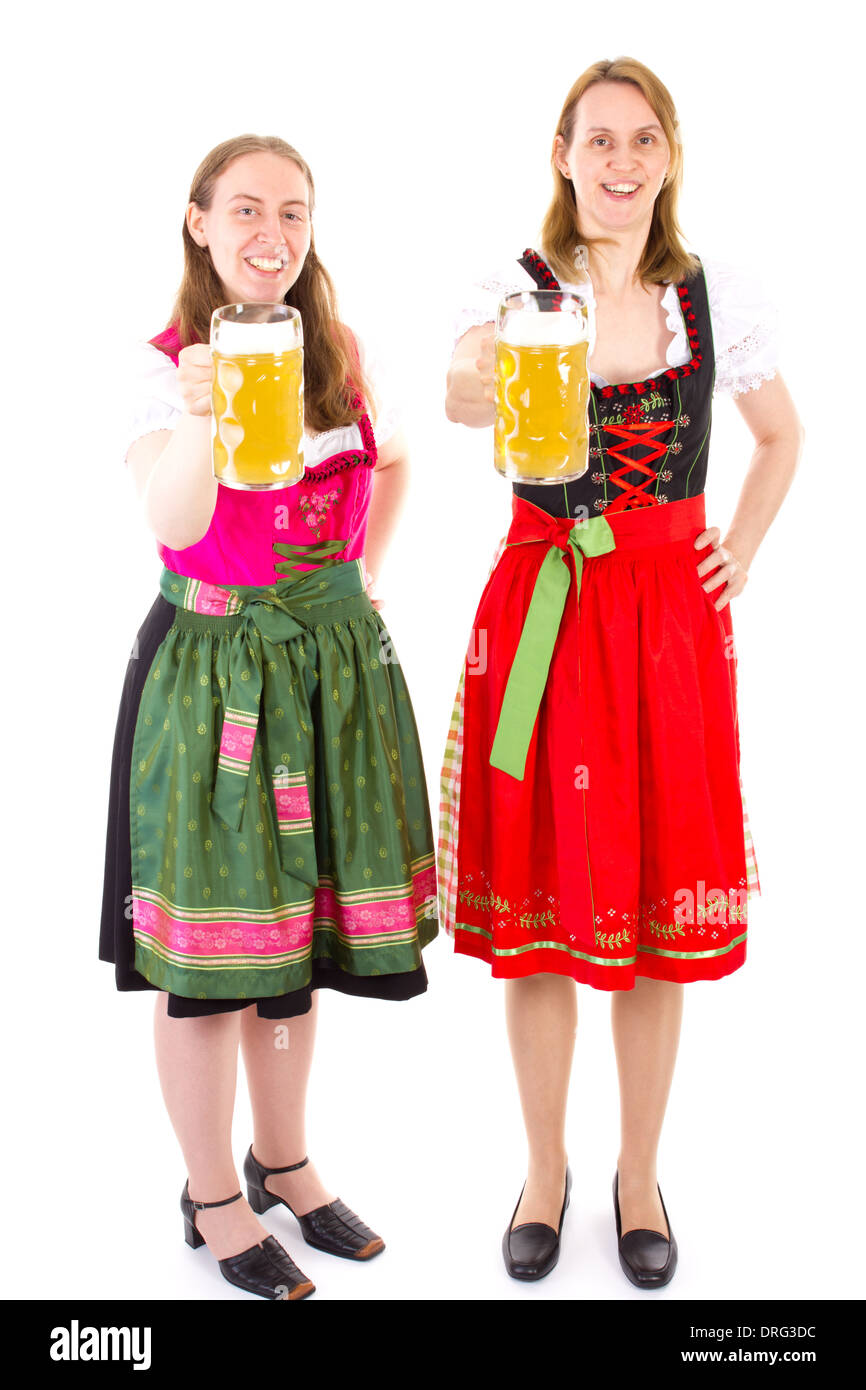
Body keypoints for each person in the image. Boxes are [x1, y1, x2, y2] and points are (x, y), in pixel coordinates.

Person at [440, 58, 802, 1288]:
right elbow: (453, 387)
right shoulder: (517, 289)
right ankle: (542, 1170)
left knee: (652, 916)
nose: (619, 161)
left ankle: (635, 1173)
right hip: (544, 605)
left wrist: (738, 549)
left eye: (640, 139)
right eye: (597, 138)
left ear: (666, 155)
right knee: (542, 921)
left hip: (664, 623)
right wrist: (472, 376)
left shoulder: (707, 294)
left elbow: (779, 435)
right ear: (561, 154)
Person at [100, 134, 438, 1300]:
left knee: (292, 955)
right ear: (197, 222)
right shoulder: (163, 370)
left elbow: (394, 463)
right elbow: (178, 519)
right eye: (245, 210)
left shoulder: (341, 353)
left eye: (292, 213)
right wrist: (200, 410)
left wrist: (364, 579)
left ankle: (282, 1157)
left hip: (324, 674)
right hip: (207, 679)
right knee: (211, 959)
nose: (271, 235)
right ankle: (209, 1195)